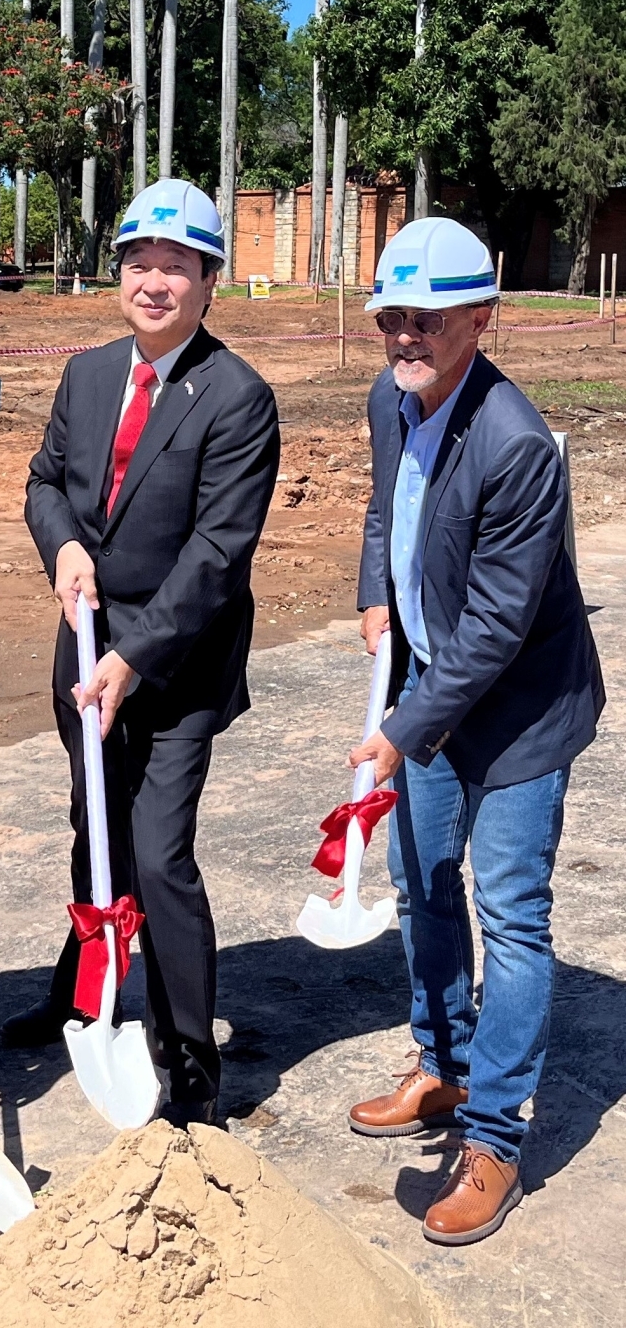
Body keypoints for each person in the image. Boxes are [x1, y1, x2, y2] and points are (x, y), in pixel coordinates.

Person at [349, 215, 604, 1245]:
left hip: (520, 714)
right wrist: (376, 594)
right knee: (419, 880)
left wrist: (400, 727)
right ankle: (444, 1064)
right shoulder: (393, 396)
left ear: (480, 319)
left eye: (427, 318)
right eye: (391, 317)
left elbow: (498, 625)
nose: (405, 335)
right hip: (432, 683)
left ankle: (495, 1136)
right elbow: (386, 509)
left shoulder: (517, 445)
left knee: (510, 911)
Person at [6, 179, 280, 1126]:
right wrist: (62, 546)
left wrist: (135, 657)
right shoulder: (86, 376)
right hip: (86, 656)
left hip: (176, 667)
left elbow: (218, 554)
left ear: (209, 281)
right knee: (96, 831)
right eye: (139, 263)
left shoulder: (237, 397)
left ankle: (190, 1061)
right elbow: (44, 484)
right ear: (117, 273)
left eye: (176, 266)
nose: (154, 282)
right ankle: (86, 993)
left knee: (158, 855)